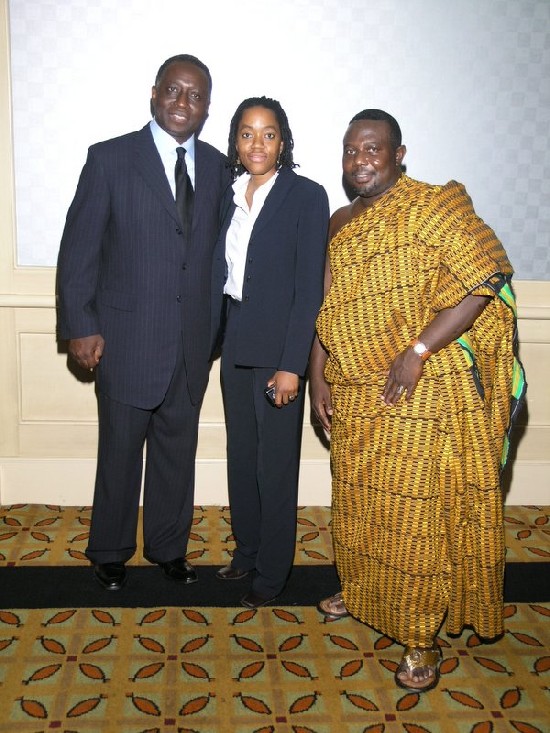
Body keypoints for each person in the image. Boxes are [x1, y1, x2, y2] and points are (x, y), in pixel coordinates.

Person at [310, 109, 526, 692]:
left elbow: (488, 276)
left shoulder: (436, 206)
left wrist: (419, 350)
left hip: (418, 393)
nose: (361, 159)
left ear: (399, 153)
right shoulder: (339, 222)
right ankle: (361, 589)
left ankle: (419, 638)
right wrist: (318, 375)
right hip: (356, 394)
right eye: (352, 150)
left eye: (373, 148)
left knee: (416, 517)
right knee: (358, 505)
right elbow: (326, 308)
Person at [56, 54, 230, 591]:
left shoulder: (221, 167)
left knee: (177, 453)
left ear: (205, 107)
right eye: (174, 91)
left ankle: (168, 549)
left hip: (190, 342)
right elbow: (79, 250)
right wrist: (80, 325)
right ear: (154, 93)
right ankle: (109, 550)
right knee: (120, 451)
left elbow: (218, 254)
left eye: (195, 95)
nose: (183, 102)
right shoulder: (110, 159)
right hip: (125, 338)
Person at [211, 97, 329, 608]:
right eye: (246, 133)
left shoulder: (307, 196)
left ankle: (273, 572)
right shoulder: (227, 192)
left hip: (278, 349)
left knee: (274, 465)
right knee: (242, 457)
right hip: (235, 338)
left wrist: (291, 365)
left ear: (284, 141)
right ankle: (249, 550)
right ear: (235, 141)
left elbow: (309, 291)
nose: (257, 143)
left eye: (268, 133)